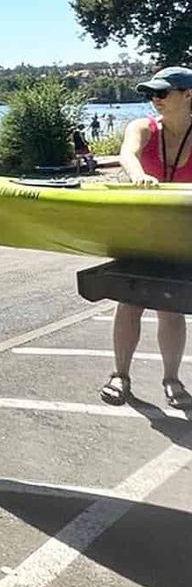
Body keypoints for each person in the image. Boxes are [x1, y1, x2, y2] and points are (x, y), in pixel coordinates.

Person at [101, 66, 192, 410]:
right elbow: (128, 153)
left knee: (172, 307)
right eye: (152, 93)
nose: (155, 99)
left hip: (180, 235)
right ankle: (120, 374)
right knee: (130, 302)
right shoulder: (143, 127)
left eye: (163, 93)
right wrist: (139, 176)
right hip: (139, 230)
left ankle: (172, 378)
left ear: (188, 95)